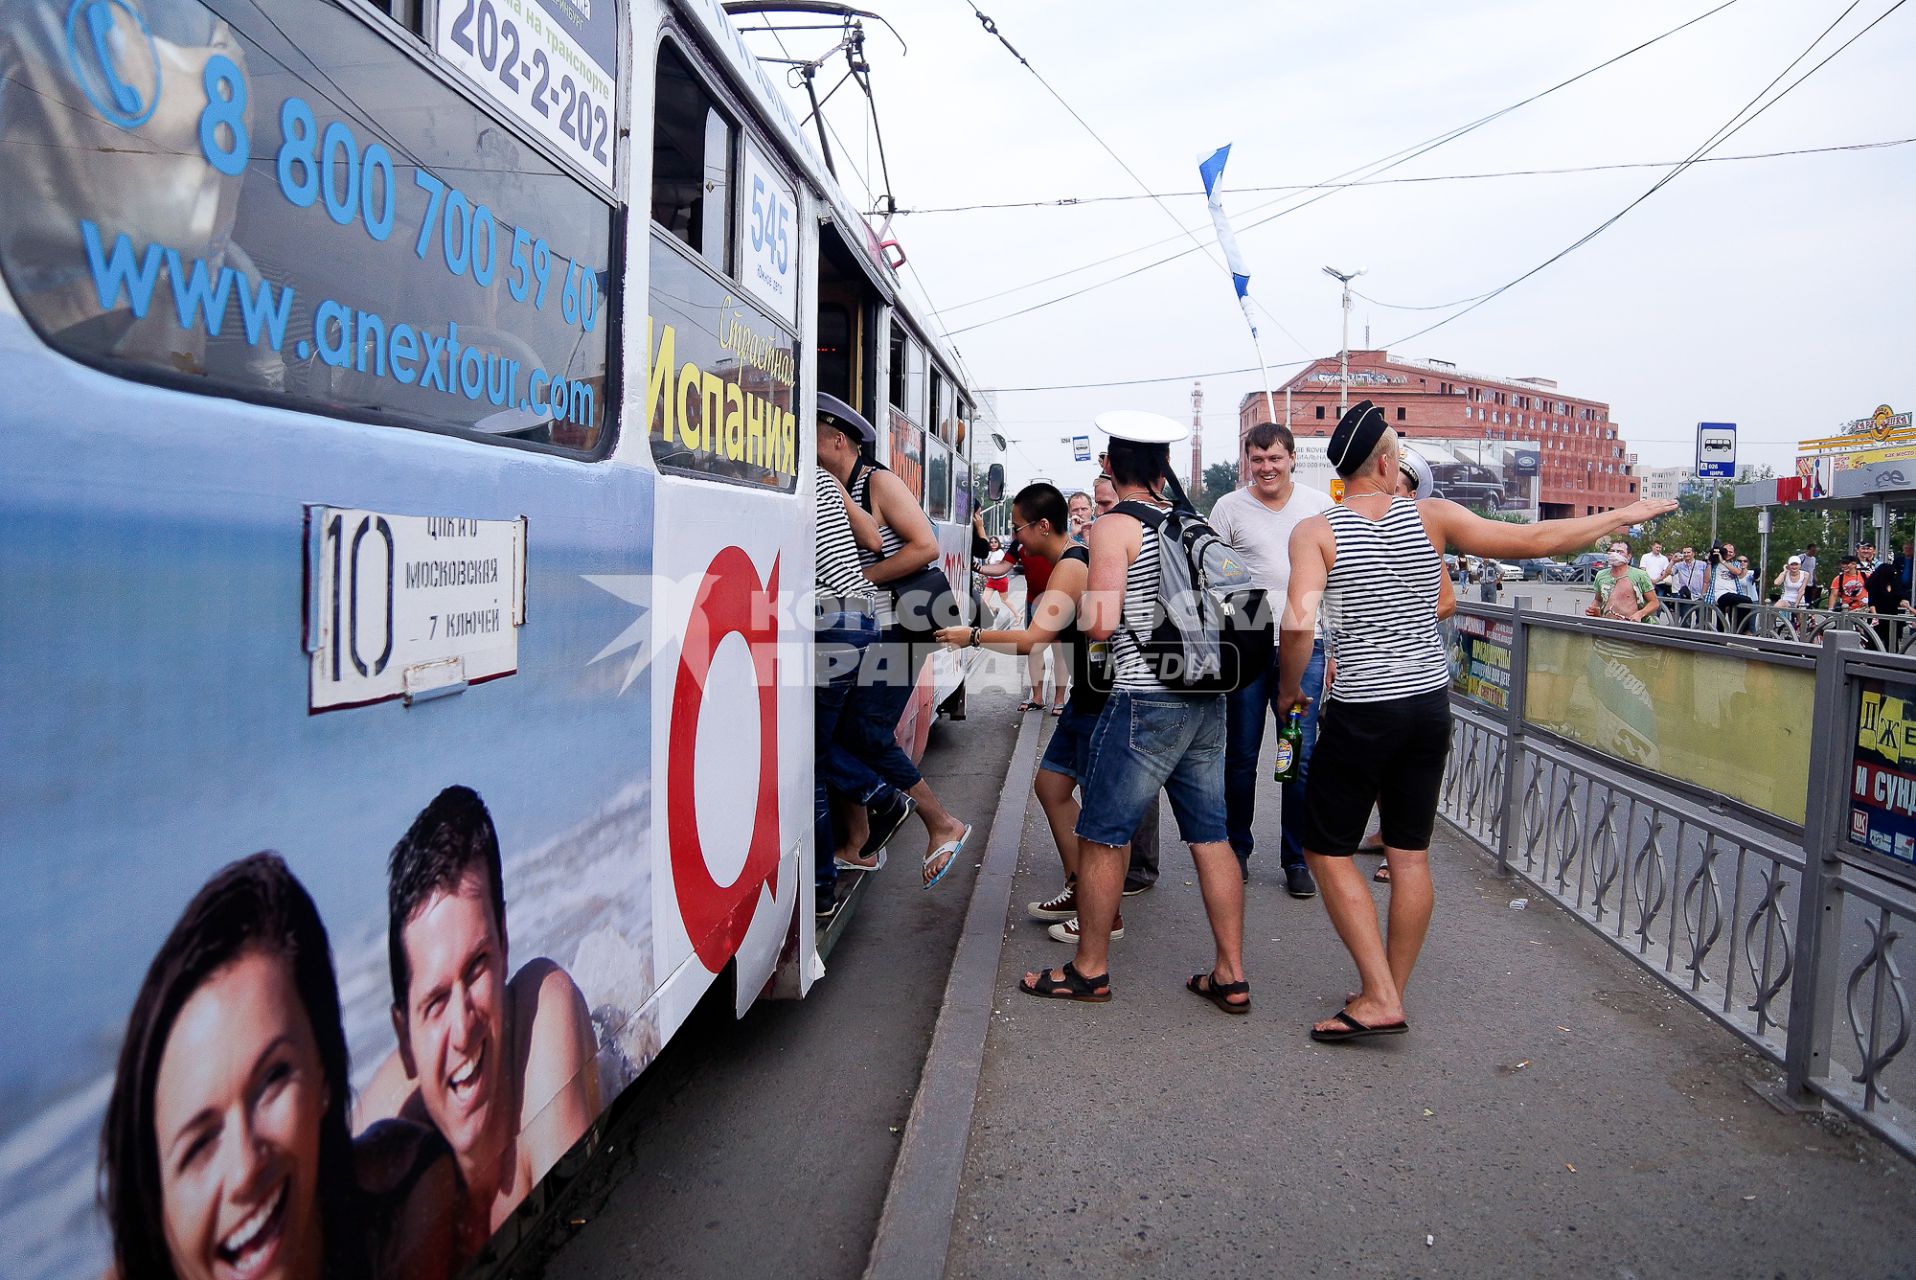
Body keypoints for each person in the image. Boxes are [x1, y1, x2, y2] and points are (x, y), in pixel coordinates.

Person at [1278, 401, 1674, 1042]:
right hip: (1428, 705)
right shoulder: (1431, 517)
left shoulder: (1315, 532)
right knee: (1409, 854)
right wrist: (1624, 516)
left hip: (1364, 708)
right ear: (1385, 462)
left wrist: (1288, 691)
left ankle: (1379, 995)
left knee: (1326, 849)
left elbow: (1298, 623)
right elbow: (1538, 541)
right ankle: (1389, 992)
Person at [103, 853, 458, 1280]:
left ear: (323, 1070)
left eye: (272, 1079)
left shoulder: (403, 1206)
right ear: (155, 1196)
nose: (246, 1166)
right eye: (199, 1143)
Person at [1018, 410, 1248, 1013]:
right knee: (1211, 837)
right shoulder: (1189, 519)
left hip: (1145, 699)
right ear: (1164, 466)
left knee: (1101, 835)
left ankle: (1089, 969)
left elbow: (1101, 621)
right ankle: (1230, 972)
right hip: (1207, 697)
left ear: (1110, 466)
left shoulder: (1116, 525)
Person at [357, 787, 599, 1261]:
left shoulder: (544, 1014)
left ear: (506, 943)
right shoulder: (383, 1141)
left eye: (477, 968)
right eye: (435, 1000)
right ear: (405, 1038)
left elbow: (585, 1244)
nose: (464, 1028)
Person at [935, 483, 1148, 942]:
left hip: (1103, 699)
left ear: (1043, 526)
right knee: (1051, 787)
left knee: (1102, 814)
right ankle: (1079, 886)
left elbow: (1033, 640)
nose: (1016, 539)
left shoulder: (1071, 566)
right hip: (1086, 698)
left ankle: (1105, 913)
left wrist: (970, 636)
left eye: (1018, 529)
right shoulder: (1067, 560)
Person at [816, 399, 974, 884]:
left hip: (902, 627)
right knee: (846, 731)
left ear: (838, 439)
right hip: (875, 629)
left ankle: (940, 823)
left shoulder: (877, 481)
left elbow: (925, 544)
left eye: (815, 435)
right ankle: (857, 845)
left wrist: (863, 575)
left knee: (864, 733)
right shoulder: (835, 487)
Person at [1208, 421, 1332, 898]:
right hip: (1248, 645)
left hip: (1307, 647)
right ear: (1247, 463)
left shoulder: (1319, 508)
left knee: (1295, 757)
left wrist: (1335, 650)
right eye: (1257, 460)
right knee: (1239, 756)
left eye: (1275, 458)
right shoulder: (1228, 508)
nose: (1266, 468)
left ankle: (1295, 858)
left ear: (1292, 458)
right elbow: (1209, 576)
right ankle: (1237, 848)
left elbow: (1336, 586)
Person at [810, 423, 886, 915]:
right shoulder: (828, 483)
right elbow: (873, 540)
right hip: (863, 617)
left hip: (831, 621)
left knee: (808, 755)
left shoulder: (794, 478)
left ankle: (820, 886)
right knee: (820, 742)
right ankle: (877, 797)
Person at [1587, 541, 1661, 623]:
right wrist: (1593, 609)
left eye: (1620, 552)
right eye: (1612, 551)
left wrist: (1640, 614)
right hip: (1607, 627)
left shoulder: (1640, 575)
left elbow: (1654, 602)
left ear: (1629, 557)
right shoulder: (1601, 575)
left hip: (1633, 627)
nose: (1615, 554)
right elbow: (1598, 600)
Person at [1670, 546, 1708, 626]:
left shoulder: (1702, 564)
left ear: (1693, 554)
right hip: (1686, 596)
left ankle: (1699, 637)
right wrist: (1673, 561)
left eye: (1688, 552)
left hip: (1700, 596)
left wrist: (1703, 593)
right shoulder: (1679, 565)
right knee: (1685, 620)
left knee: (1701, 622)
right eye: (1684, 553)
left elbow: (1707, 580)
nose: (1686, 554)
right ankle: (1684, 637)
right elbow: (1668, 572)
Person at [980, 537, 1011, 619]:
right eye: (991, 542)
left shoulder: (1000, 553)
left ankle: (1017, 615)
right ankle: (994, 609)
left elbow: (996, 567)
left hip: (999, 579)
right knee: (984, 600)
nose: (993, 544)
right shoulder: (990, 553)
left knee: (1004, 600)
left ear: (998, 543)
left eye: (995, 542)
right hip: (991, 579)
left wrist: (984, 571)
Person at [1800, 542, 1821, 607]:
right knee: (1800, 598)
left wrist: (1815, 579)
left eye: (1815, 551)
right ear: (1808, 550)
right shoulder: (1802, 557)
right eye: (1812, 551)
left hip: (1810, 582)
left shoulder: (1813, 559)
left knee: (1808, 600)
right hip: (1801, 582)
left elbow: (1813, 570)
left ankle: (1808, 612)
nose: (1814, 552)